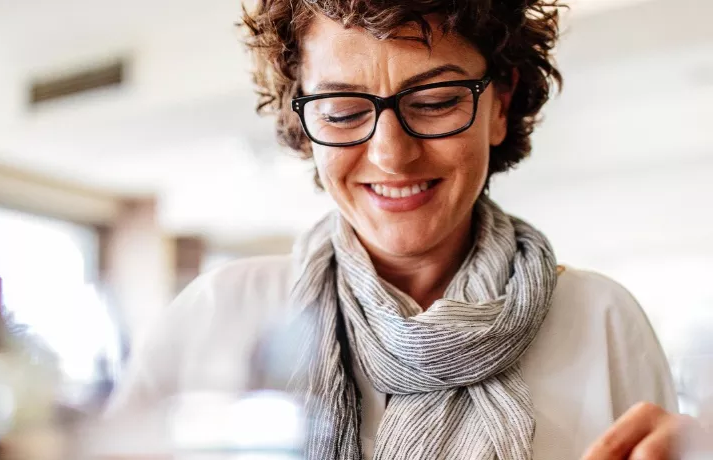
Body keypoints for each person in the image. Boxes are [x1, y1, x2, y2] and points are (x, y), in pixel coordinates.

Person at [108, 1, 702, 459]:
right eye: (342, 111)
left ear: (499, 105)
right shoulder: (219, 316)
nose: (391, 155)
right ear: (306, 122)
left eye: (437, 100)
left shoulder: (602, 321)